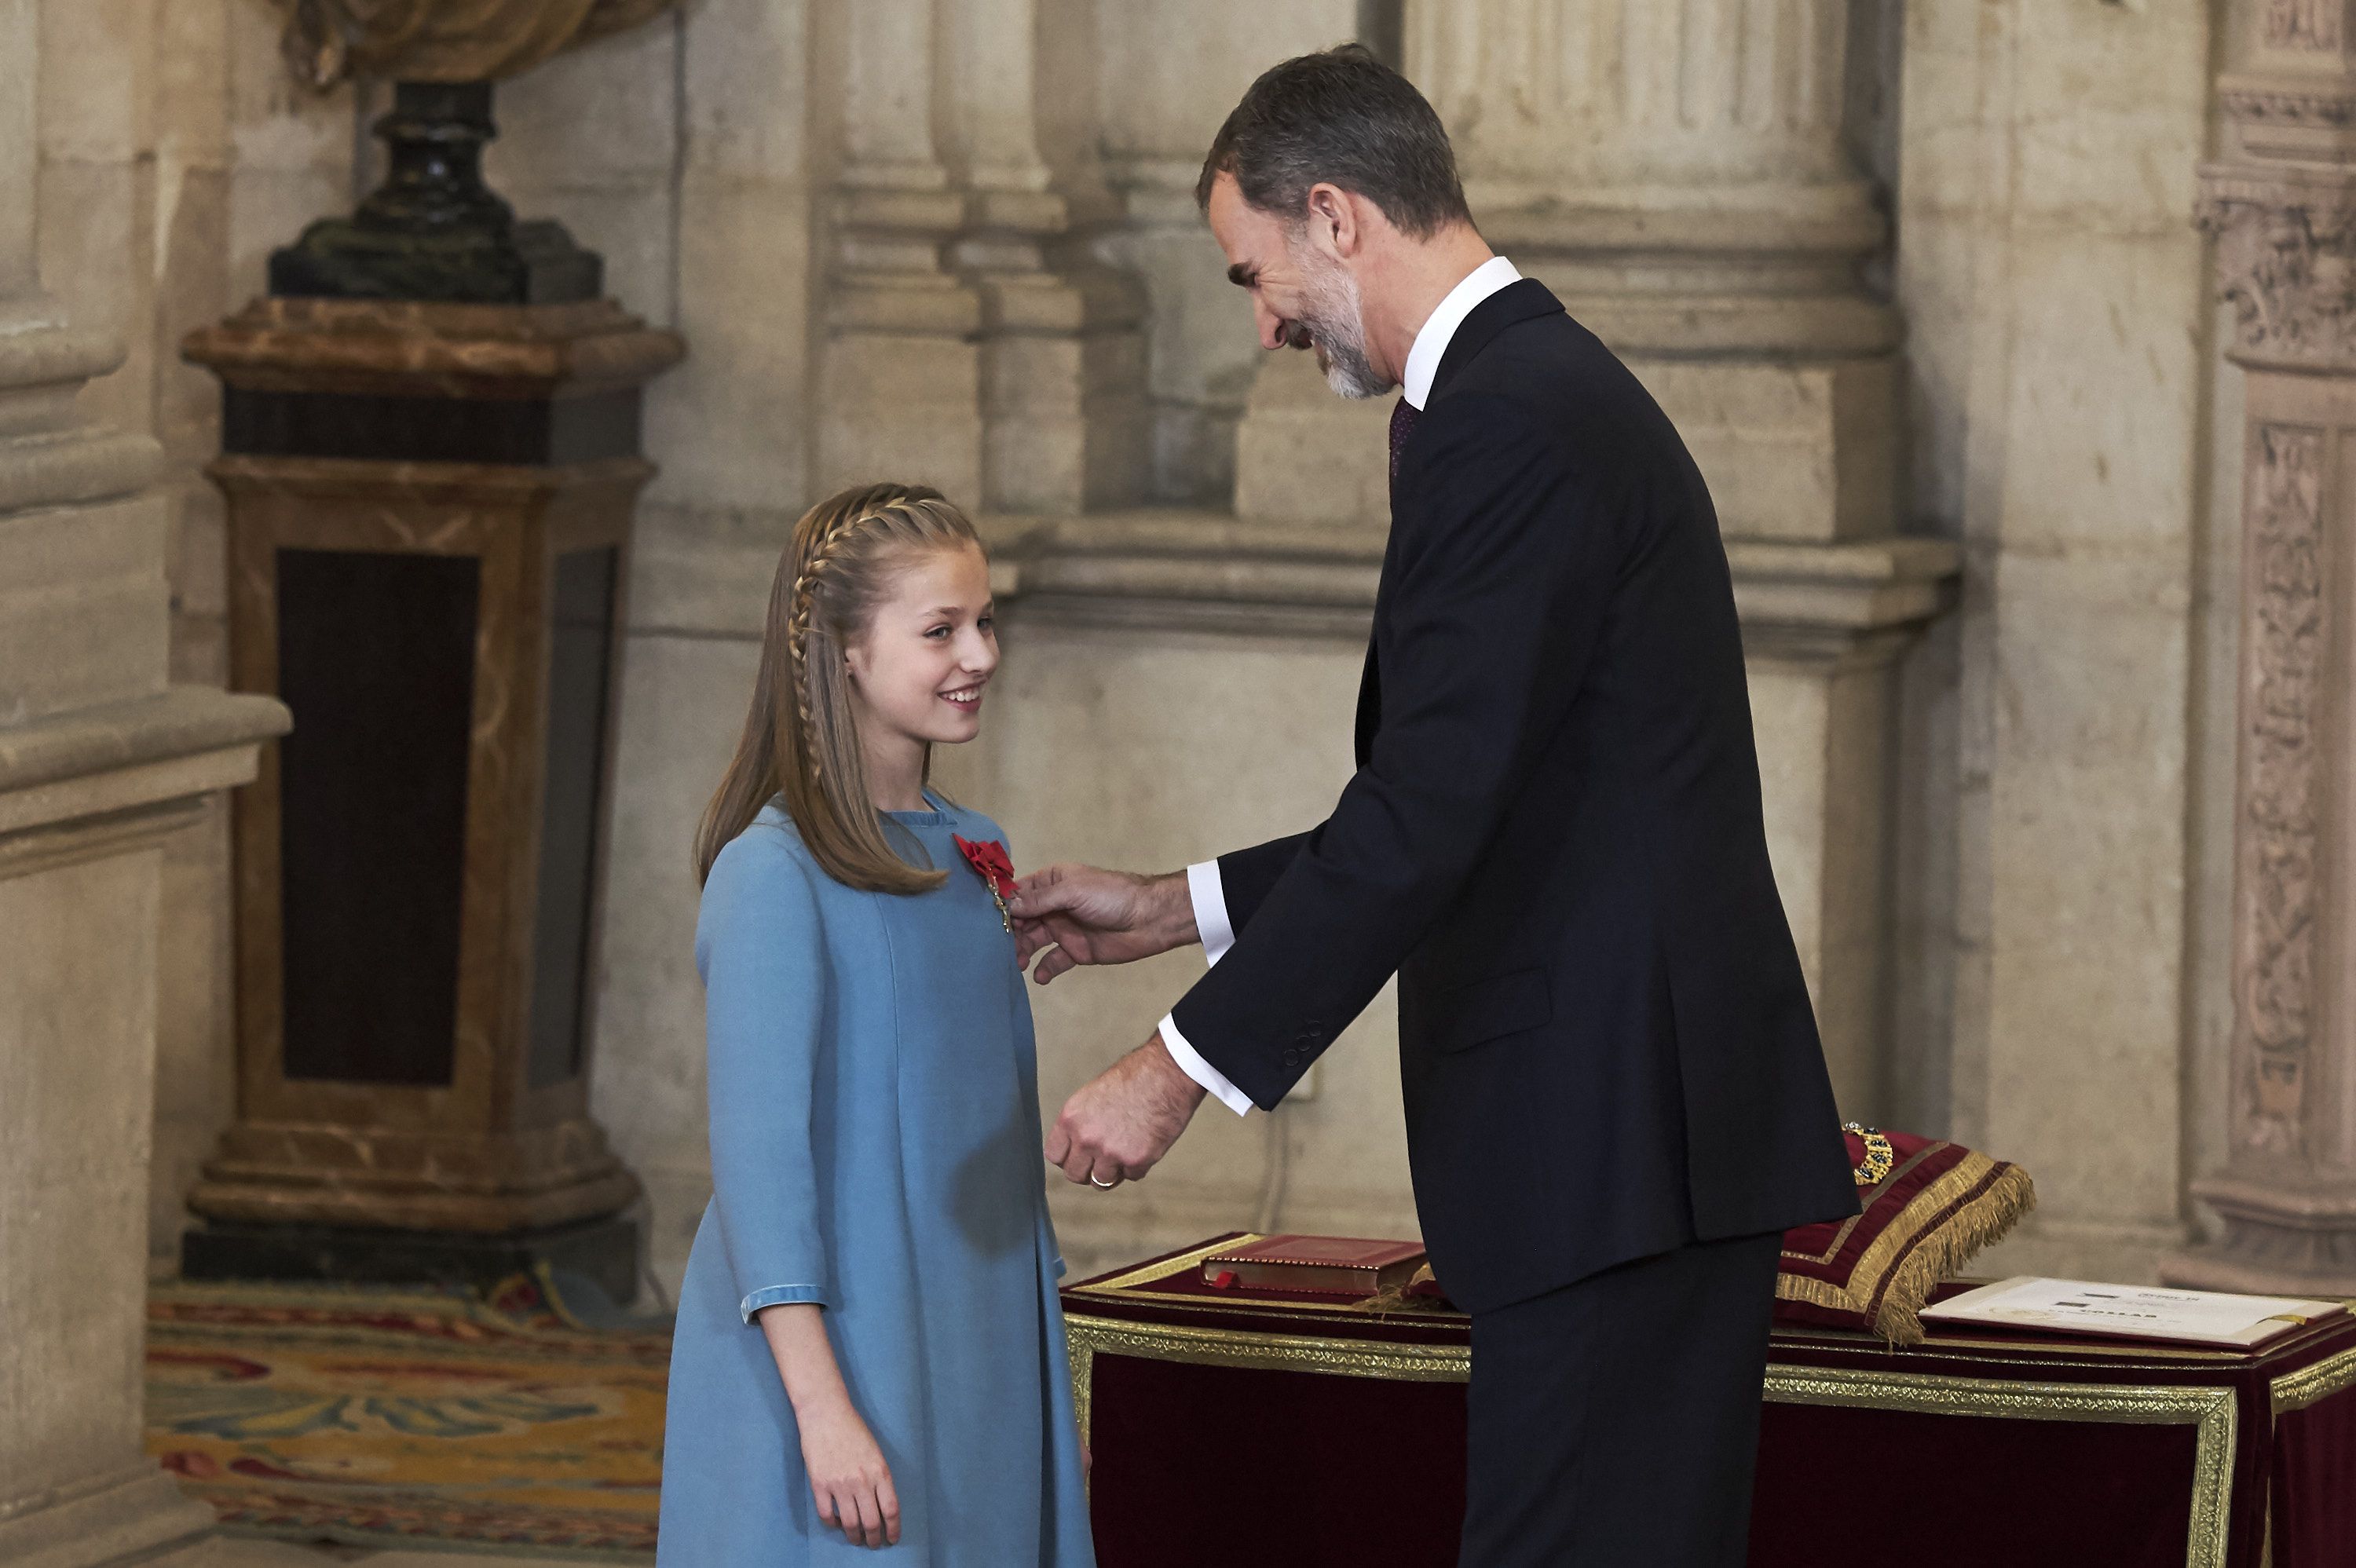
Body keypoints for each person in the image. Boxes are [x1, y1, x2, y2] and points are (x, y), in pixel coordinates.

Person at [1008, 46, 1859, 1568]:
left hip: (1616, 1152)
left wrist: (1176, 1066)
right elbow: (1481, 801)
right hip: (1622, 1148)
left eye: (1253, 272)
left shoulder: (1511, 421)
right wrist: (1170, 909)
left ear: (1336, 217)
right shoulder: (1516, 397)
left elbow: (1430, 814)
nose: (1263, 323)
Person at [657, 483, 1093, 1566]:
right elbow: (763, 1171)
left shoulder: (971, 849)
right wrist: (824, 1413)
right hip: (841, 1348)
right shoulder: (774, 872)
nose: (981, 653)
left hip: (978, 1335)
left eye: (985, 620)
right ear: (844, 651)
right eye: (940, 629)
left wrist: (1046, 1379)